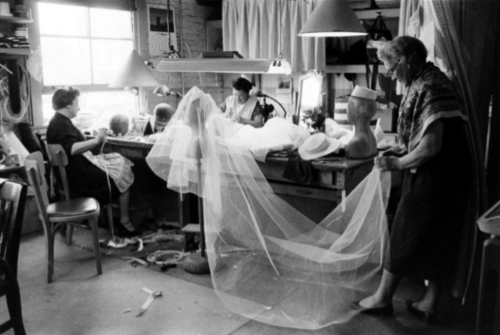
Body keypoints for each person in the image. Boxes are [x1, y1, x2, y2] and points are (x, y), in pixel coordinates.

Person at [355, 36, 472, 324]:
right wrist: (402, 148)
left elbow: (432, 147)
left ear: (404, 61)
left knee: (404, 229)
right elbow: (424, 135)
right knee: (437, 236)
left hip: (436, 174)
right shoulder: (427, 79)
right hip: (448, 175)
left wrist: (397, 162)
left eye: (390, 67)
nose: (389, 73)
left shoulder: (429, 86)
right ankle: (429, 303)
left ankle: (382, 298)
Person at [46, 87, 137, 234]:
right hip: (78, 180)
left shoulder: (57, 121)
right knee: (123, 177)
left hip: (70, 175)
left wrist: (96, 141)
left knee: (119, 162)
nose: (79, 107)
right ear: (68, 104)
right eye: (76, 103)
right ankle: (124, 220)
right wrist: (95, 141)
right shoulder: (62, 124)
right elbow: (72, 148)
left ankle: (110, 219)